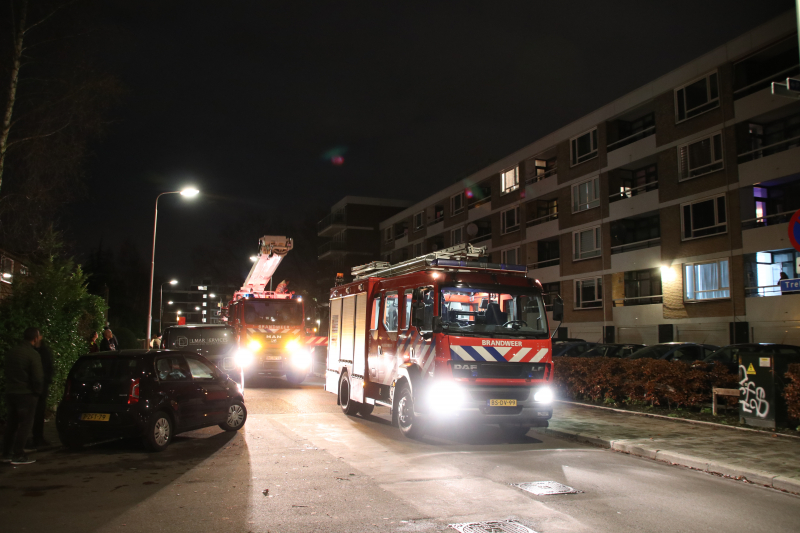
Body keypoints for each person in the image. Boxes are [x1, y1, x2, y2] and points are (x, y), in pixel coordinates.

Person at [2, 327, 44, 465]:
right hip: (26, 393)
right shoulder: (32, 354)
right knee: (25, 425)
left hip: (10, 391)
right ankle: (18, 454)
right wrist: (37, 392)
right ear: (35, 338)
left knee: (12, 424)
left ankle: (6, 453)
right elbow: (37, 377)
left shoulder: (11, 352)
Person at [29, 338, 54, 448]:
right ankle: (36, 439)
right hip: (39, 388)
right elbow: (48, 370)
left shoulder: (36, 352)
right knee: (36, 415)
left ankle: (35, 439)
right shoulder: (41, 353)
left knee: (34, 415)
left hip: (35, 389)